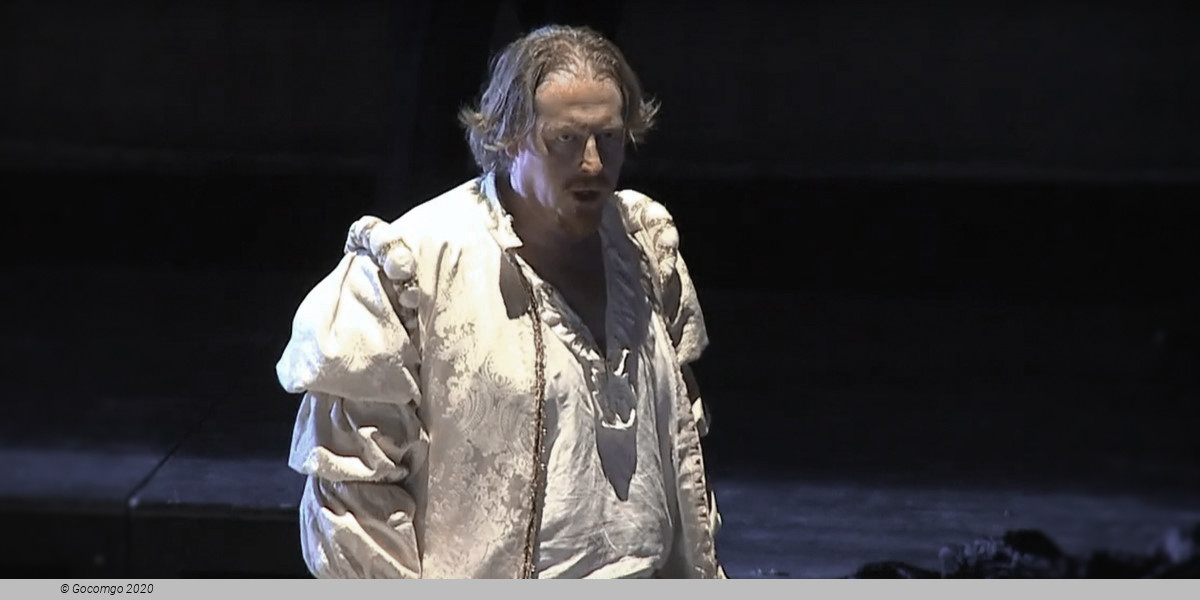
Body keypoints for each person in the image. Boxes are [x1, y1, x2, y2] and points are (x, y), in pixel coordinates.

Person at [277, 25, 724, 579]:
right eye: (565, 139)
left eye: (608, 138)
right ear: (510, 138)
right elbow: (353, 495)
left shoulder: (643, 248)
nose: (592, 163)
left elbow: (683, 454)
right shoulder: (413, 266)